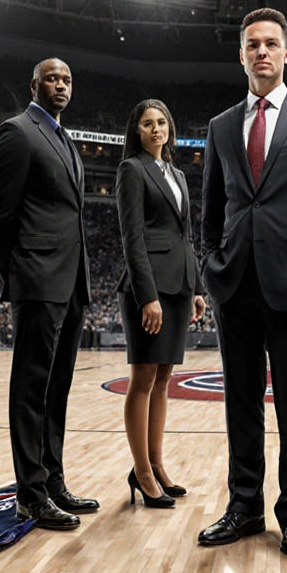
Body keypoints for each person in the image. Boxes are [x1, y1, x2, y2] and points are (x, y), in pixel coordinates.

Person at [197, 8, 287, 559]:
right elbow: (212, 211)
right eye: (252, 44)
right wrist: (213, 268)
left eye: (271, 44)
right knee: (240, 404)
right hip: (234, 285)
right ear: (241, 55)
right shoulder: (219, 126)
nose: (262, 51)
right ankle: (243, 507)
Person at [0, 58, 100, 530]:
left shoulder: (64, 137)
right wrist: (21, 268)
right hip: (39, 277)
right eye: (52, 79)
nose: (61, 85)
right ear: (33, 84)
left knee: (58, 389)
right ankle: (29, 493)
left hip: (71, 281)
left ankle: (52, 480)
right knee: (31, 388)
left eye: (68, 80)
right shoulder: (17, 131)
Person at [114, 99, 207, 509]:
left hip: (180, 284)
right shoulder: (131, 170)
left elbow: (186, 236)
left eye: (161, 122)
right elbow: (131, 238)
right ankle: (142, 471)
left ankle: (156, 464)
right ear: (136, 131)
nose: (156, 129)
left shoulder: (178, 175)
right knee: (143, 378)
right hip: (149, 288)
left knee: (164, 379)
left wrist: (198, 287)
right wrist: (146, 295)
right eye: (148, 123)